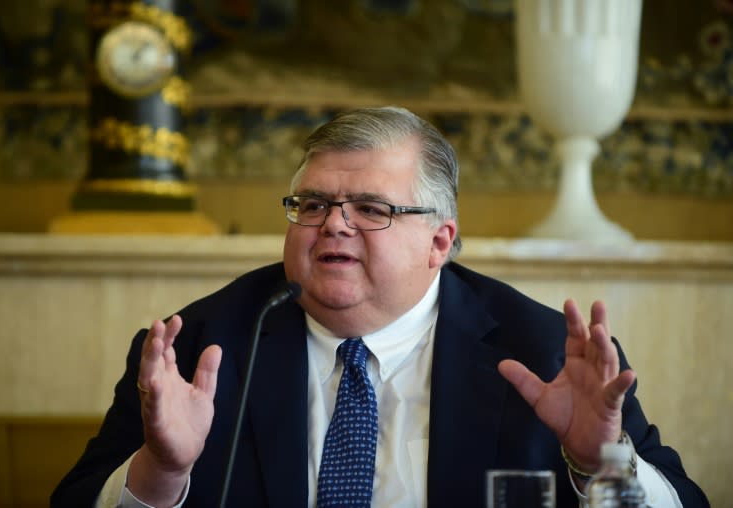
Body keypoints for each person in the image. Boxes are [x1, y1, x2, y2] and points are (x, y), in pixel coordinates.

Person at [52, 106, 709, 508]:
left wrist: (604, 464)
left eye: (371, 209)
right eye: (312, 205)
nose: (333, 225)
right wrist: (162, 472)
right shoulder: (200, 346)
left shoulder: (541, 352)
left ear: (439, 241)